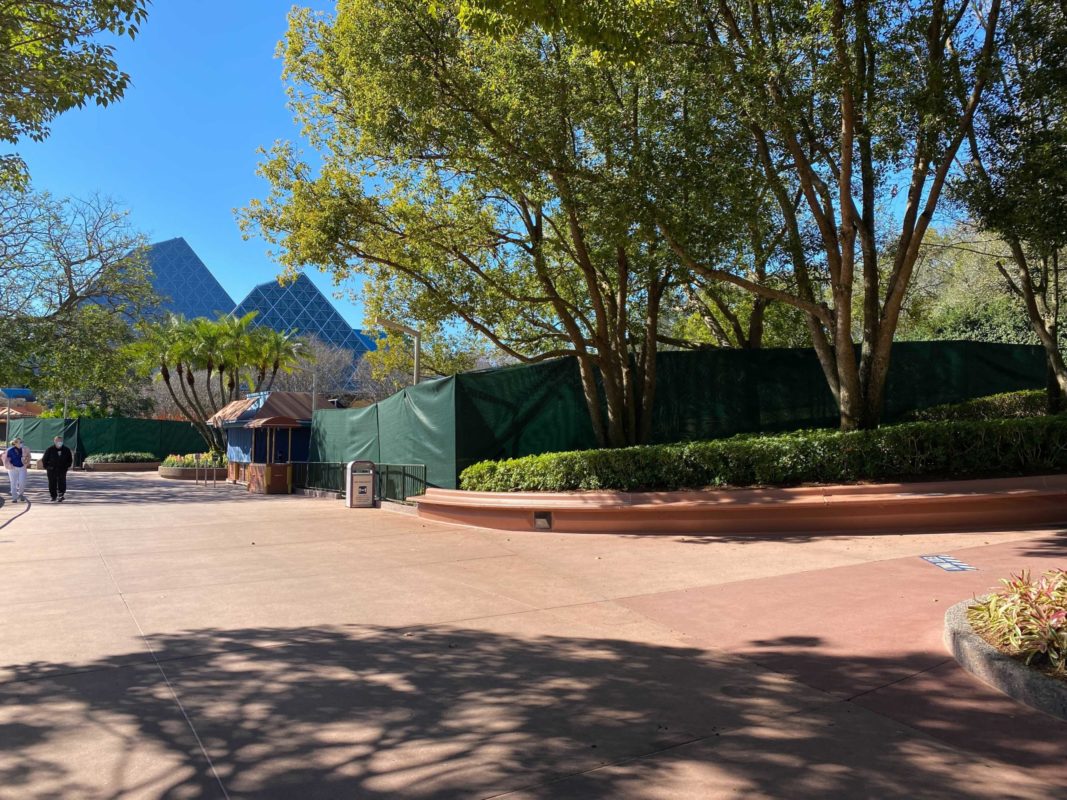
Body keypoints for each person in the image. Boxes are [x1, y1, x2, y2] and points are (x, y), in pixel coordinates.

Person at [42, 435, 74, 503]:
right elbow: (44, 459)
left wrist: (66, 467)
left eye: (60, 441)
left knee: (62, 482)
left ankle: (61, 495)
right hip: (51, 469)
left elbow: (70, 460)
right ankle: (53, 496)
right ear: (54, 441)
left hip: (62, 469)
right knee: (52, 483)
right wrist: (47, 467)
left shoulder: (66, 450)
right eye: (57, 441)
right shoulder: (50, 449)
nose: (59, 442)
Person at [5, 437, 30, 503]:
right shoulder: (10, 450)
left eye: (21, 442)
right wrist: (9, 465)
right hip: (12, 468)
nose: (21, 443)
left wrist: (27, 462)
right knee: (13, 483)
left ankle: (21, 494)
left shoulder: (25, 449)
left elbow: (29, 456)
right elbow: (6, 459)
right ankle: (14, 498)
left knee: (22, 482)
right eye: (19, 442)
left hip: (22, 468)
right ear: (15, 443)